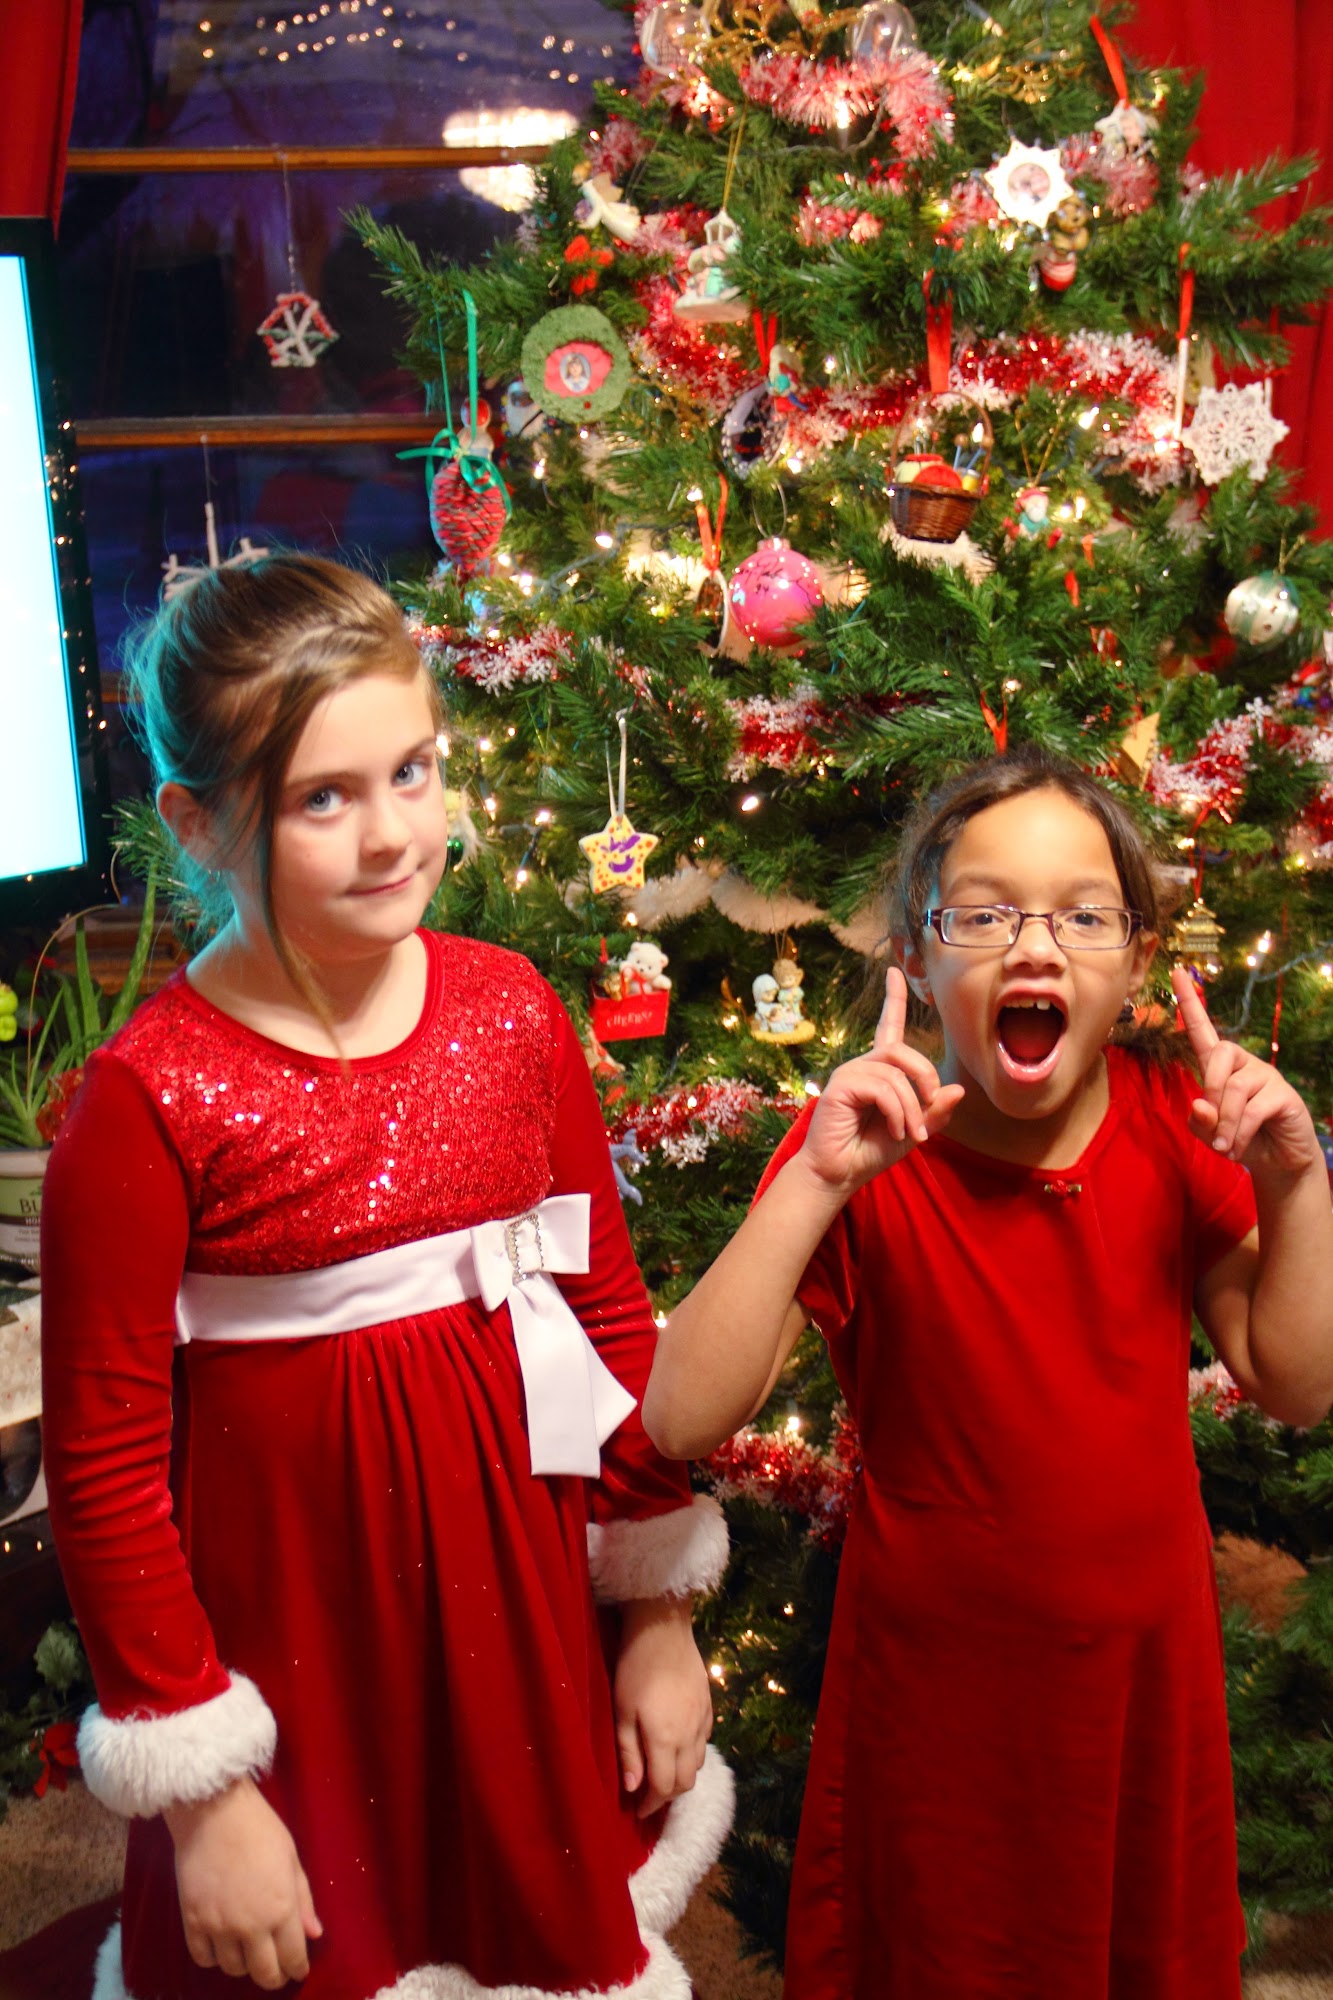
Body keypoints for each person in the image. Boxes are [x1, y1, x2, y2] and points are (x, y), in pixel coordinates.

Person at [41, 554, 732, 2000]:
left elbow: (604, 1315)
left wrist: (657, 1609)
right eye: (321, 798)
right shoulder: (147, 1099)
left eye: (411, 771)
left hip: (516, 1611)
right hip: (299, 1644)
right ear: (198, 822)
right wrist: (204, 1791)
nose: (391, 834)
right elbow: (103, 1470)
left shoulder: (512, 1011)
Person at [643, 747, 1333, 2000]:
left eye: (1083, 915)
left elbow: (1298, 1381)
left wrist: (1293, 1181)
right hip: (934, 1694)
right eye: (983, 915)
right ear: (915, 954)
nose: (1035, 948)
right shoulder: (865, 1148)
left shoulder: (1174, 1122)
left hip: (1141, 1681)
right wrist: (810, 1183)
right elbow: (684, 1411)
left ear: (1136, 960)